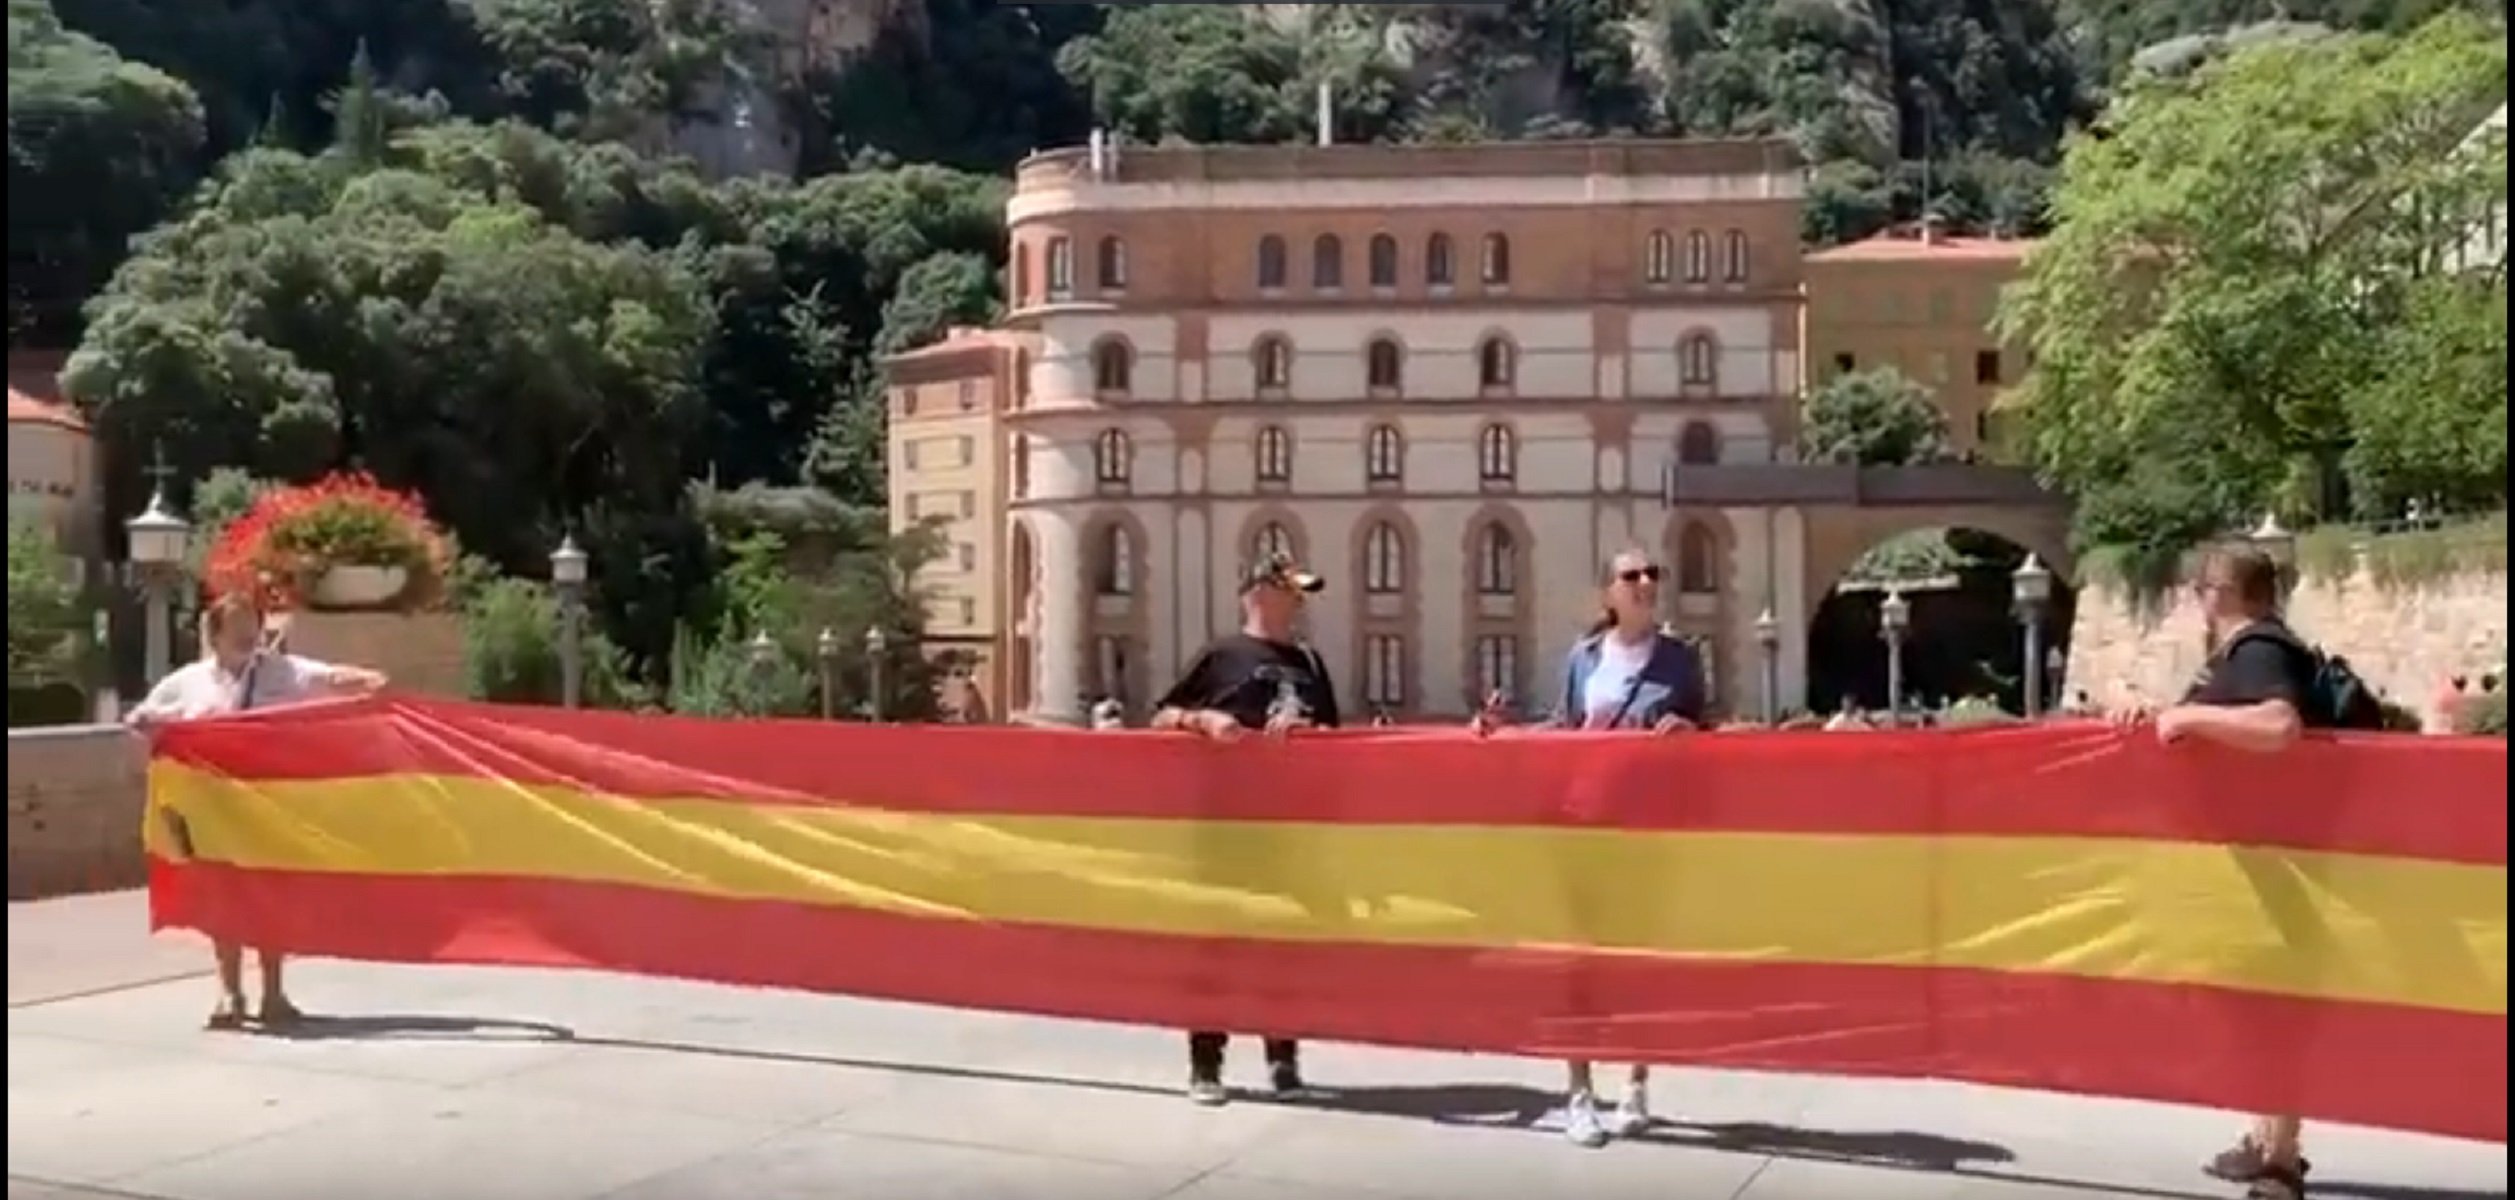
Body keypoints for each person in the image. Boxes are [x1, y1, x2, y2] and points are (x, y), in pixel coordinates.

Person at [1473, 547, 1708, 1148]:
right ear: (1608, 593)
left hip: (1647, 831)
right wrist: (1505, 731)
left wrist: (1690, 734)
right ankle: (1579, 1093)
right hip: (1582, 827)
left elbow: (1708, 736)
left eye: (1655, 573)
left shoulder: (1681, 662)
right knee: (1579, 962)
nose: (1647, 582)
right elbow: (1564, 729)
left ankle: (1634, 1081)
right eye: (1632, 575)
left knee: (1638, 961)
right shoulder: (1583, 657)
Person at [2111, 546, 2312, 1200]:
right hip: (2257, 853)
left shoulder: (2258, 648)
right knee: (2257, 999)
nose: (2195, 598)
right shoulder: (2245, 652)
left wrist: (2186, 716)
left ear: (2220, 590)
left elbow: (2278, 726)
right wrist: (2155, 717)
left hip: (2280, 854)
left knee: (2276, 1004)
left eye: (2198, 587)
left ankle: (2281, 1162)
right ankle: (2263, 1139)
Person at [126, 592, 389, 1031]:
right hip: (212, 809)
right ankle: (230, 992)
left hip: (266, 806)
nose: (248, 634)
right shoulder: (188, 682)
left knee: (271, 897)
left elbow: (331, 678)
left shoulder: (282, 671)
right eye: (237, 626)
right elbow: (143, 719)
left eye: (253, 624)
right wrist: (146, 725)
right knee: (223, 900)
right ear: (214, 634)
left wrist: (368, 680)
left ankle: (273, 993)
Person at [1150, 551, 1341, 1107]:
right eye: (1289, 591)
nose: (1298, 603)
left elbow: (1334, 734)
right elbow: (1161, 715)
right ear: (1258, 593)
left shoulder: (1310, 661)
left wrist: (1306, 735)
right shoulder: (1221, 656)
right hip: (1224, 825)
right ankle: (1206, 1064)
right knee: (1217, 944)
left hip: (1288, 826)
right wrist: (1202, 720)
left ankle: (1283, 1058)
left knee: (1283, 944)